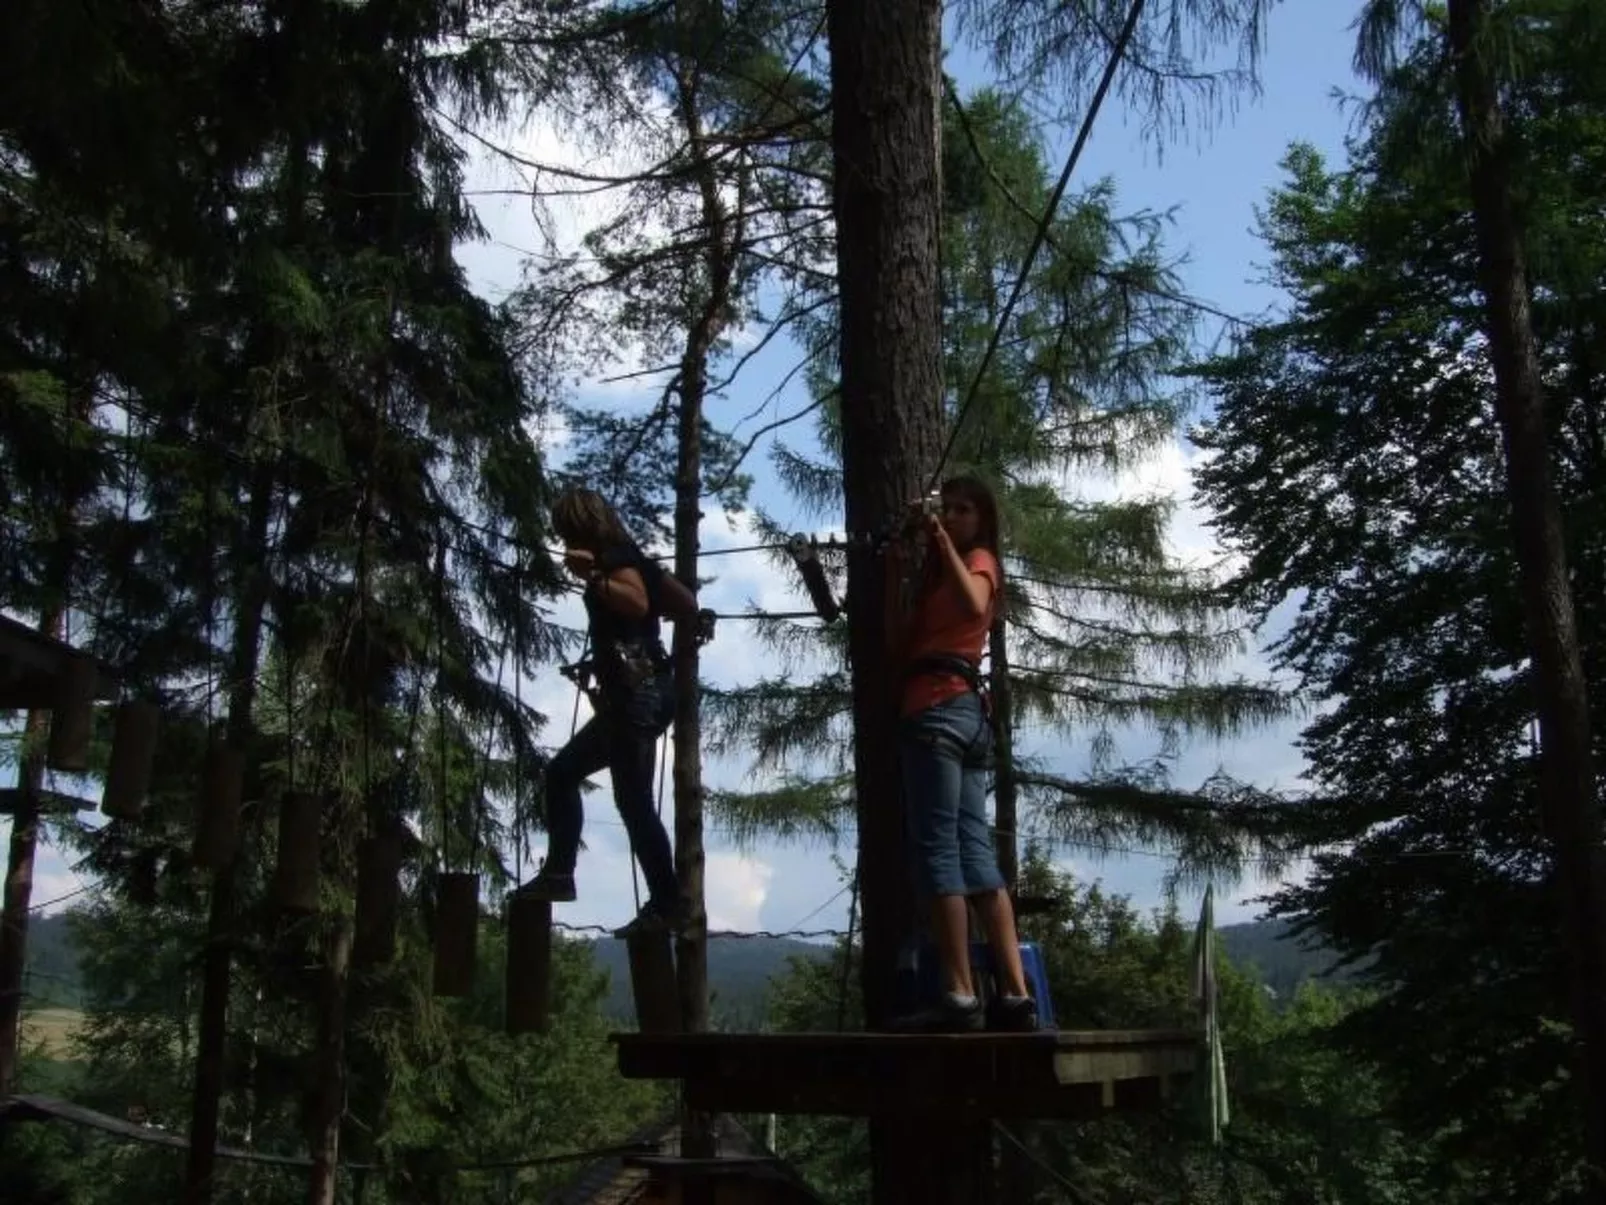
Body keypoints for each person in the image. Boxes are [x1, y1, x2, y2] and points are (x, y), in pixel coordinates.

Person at [514, 487, 704, 937]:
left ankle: (664, 902)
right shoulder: (632, 557)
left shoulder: (614, 558)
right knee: (584, 781)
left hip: (638, 696)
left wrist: (596, 578)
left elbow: (636, 602)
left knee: (620, 795)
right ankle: (580, 880)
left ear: (578, 526)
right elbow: (685, 604)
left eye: (563, 529)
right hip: (645, 692)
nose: (560, 539)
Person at [888, 475, 1037, 1032]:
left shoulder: (980, 561)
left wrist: (941, 540)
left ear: (982, 519)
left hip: (938, 711)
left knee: (937, 850)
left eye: (962, 510)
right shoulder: (937, 579)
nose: (951, 516)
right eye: (945, 509)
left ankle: (960, 993)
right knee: (975, 855)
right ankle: (1016, 997)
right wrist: (903, 554)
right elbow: (898, 640)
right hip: (962, 716)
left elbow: (976, 601)